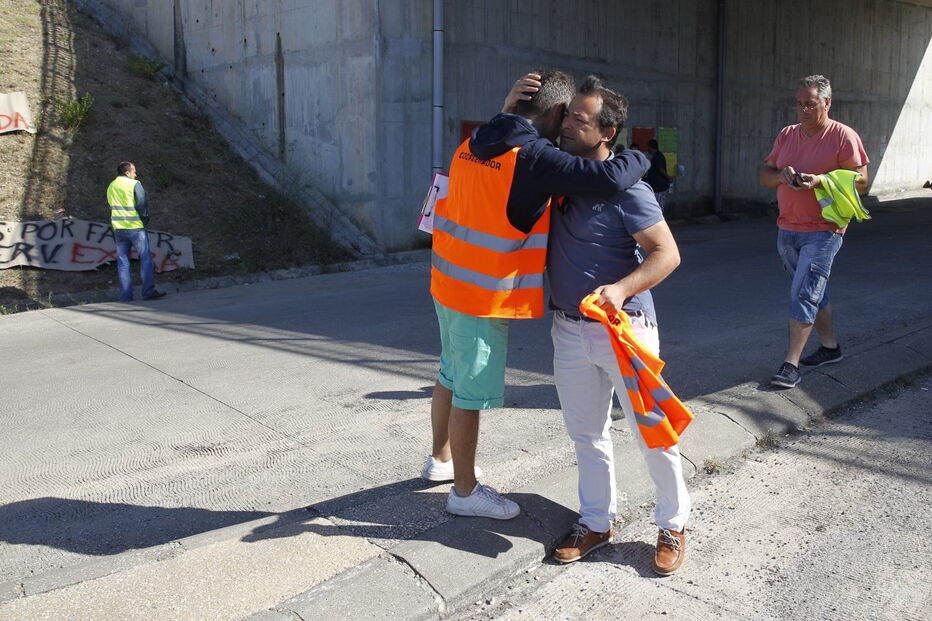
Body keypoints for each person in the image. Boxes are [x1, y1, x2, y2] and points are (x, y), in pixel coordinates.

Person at [423, 70, 650, 520]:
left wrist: (508, 106)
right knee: (470, 391)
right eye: (564, 117)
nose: (566, 127)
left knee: (450, 373)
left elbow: (509, 126)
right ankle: (464, 493)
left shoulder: (481, 136)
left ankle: (441, 460)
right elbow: (607, 178)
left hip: (446, 282)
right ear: (553, 111)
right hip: (481, 295)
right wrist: (643, 156)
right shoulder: (534, 157)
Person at [528, 76, 690, 575]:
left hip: (624, 328)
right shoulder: (560, 179)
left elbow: (668, 255)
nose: (568, 123)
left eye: (580, 118)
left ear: (607, 131)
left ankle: (673, 523)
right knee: (586, 433)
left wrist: (620, 289)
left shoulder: (630, 190)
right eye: (568, 114)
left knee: (651, 431)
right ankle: (597, 521)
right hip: (568, 329)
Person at [759, 75, 868, 388]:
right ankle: (831, 347)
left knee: (804, 292)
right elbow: (765, 175)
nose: (803, 109)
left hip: (825, 230)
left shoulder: (842, 136)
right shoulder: (787, 135)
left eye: (811, 103)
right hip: (787, 228)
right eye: (799, 103)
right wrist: (782, 175)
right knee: (811, 290)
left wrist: (821, 180)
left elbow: (861, 180)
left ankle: (790, 364)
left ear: (827, 103)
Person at [106, 161, 166, 302]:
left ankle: (126, 296)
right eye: (134, 171)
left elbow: (111, 205)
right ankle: (148, 292)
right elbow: (142, 204)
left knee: (122, 262)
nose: (135, 174)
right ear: (127, 172)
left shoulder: (111, 186)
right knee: (145, 259)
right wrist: (144, 220)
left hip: (119, 228)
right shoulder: (134, 184)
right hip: (135, 228)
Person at [644, 139, 671, 213]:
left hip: (659, 187)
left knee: (658, 207)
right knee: (656, 207)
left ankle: (659, 223)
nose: (647, 149)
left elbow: (661, 169)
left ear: (650, 147)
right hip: (656, 186)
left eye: (648, 147)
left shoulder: (658, 156)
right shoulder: (656, 155)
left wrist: (668, 178)